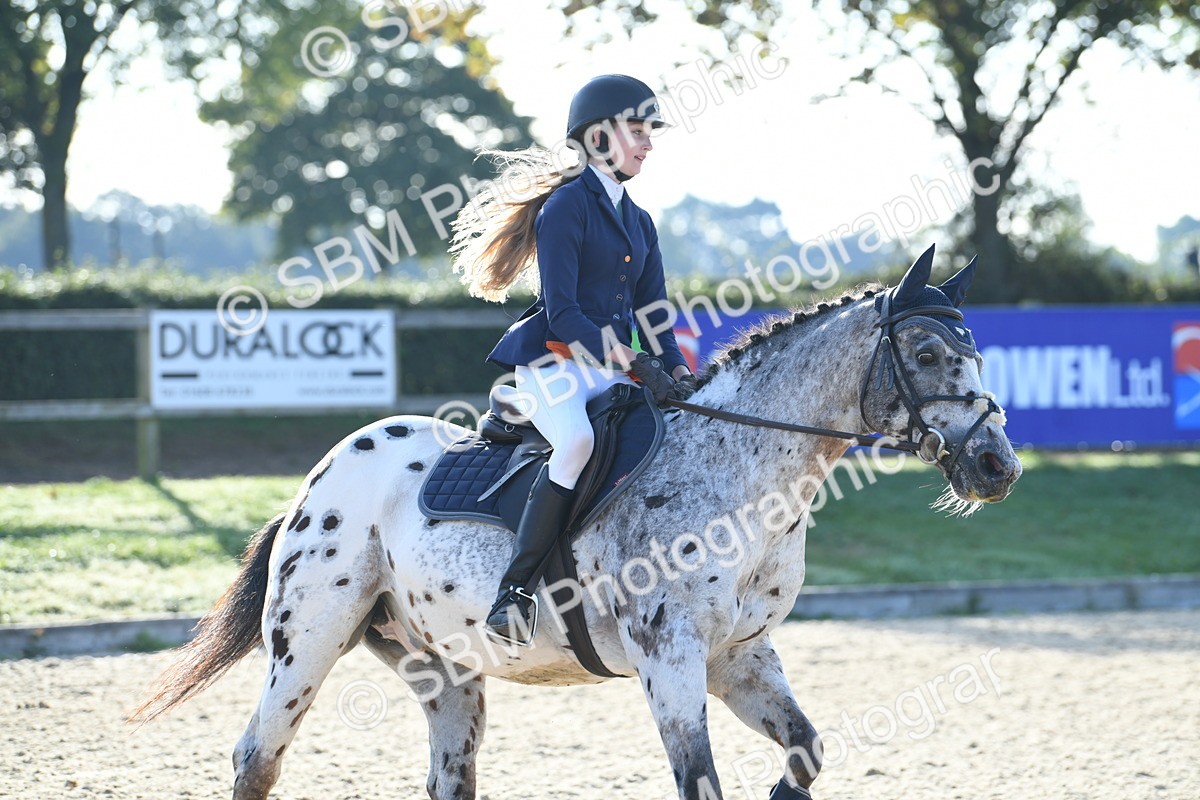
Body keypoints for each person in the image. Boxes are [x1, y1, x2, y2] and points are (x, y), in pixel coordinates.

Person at [449, 74, 697, 645]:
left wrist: (680, 369)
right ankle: (512, 593)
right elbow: (563, 313)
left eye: (648, 132)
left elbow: (654, 310)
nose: (647, 144)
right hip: (552, 366)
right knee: (579, 443)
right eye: (637, 131)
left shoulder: (640, 221)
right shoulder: (565, 208)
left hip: (608, 370)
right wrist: (633, 363)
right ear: (600, 137)